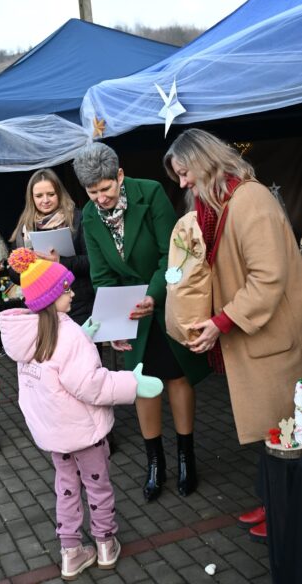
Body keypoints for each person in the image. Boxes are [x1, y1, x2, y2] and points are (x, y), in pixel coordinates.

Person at [164, 127, 302, 541]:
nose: (183, 184)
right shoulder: (224, 203)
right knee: (272, 433)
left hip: (272, 341)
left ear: (205, 162)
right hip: (257, 338)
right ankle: (274, 502)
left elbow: (268, 278)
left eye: (185, 173)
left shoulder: (250, 200)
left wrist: (221, 322)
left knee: (285, 434)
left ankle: (286, 516)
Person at [0, 247, 163, 580]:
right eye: (66, 290)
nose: (73, 293)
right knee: (98, 487)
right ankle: (105, 543)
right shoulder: (68, 334)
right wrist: (132, 383)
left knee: (66, 488)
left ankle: (71, 552)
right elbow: (91, 385)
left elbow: (54, 370)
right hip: (84, 433)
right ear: (50, 297)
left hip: (56, 434)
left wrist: (85, 334)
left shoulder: (30, 336)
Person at [72, 142, 210, 501]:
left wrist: (153, 295)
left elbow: (171, 254)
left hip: (166, 299)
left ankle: (186, 458)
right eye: (92, 192)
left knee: (178, 377)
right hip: (129, 311)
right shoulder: (90, 217)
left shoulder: (150, 193)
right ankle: (155, 463)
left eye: (105, 188)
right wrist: (112, 324)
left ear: (119, 176)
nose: (100, 198)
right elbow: (102, 276)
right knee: (141, 383)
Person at [9, 168, 94, 326]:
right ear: (31, 198)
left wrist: (60, 261)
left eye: (51, 194)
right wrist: (27, 265)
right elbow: (14, 276)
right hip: (43, 312)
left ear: (59, 194)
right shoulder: (25, 227)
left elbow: (93, 261)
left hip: (78, 304)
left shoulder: (77, 219)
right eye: (39, 196)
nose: (45, 200)